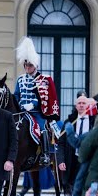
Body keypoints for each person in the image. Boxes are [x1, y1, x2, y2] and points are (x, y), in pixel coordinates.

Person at [13, 36, 60, 167]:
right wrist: (18, 105)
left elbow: (46, 97)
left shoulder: (43, 79)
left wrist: (33, 104)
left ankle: (45, 154)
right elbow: (16, 95)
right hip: (22, 112)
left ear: (35, 66)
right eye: (26, 64)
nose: (27, 67)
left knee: (41, 128)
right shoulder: (20, 79)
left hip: (37, 113)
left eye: (30, 65)